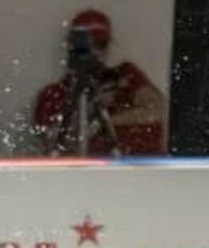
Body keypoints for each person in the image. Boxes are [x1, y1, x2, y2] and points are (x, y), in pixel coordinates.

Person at [32, 9, 167, 157]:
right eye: (87, 47)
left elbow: (158, 109)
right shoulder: (53, 94)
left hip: (140, 172)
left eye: (101, 45)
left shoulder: (125, 75)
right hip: (86, 176)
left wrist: (103, 123)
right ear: (71, 46)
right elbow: (55, 145)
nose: (96, 52)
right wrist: (85, 117)